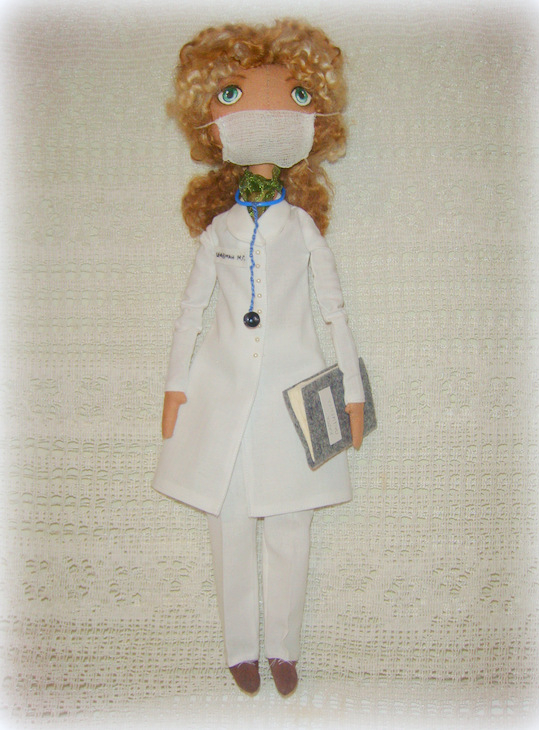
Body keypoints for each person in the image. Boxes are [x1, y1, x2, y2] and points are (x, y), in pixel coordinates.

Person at [153, 19, 365, 697]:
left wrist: (353, 393)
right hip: (223, 397)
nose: (268, 114)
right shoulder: (217, 230)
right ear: (211, 125)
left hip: (297, 394)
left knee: (292, 522)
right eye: (235, 98)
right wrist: (175, 386)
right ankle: (240, 648)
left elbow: (335, 311)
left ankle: (284, 647)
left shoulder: (301, 228)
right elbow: (190, 313)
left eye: (295, 99)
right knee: (230, 517)